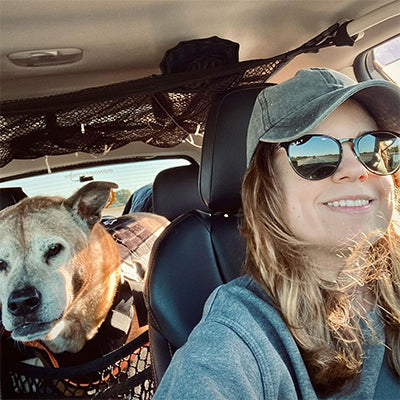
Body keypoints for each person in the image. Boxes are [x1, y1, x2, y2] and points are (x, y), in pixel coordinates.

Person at [152, 68, 400, 399]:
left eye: (373, 148)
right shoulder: (241, 331)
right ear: (268, 189)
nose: (356, 170)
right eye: (315, 154)